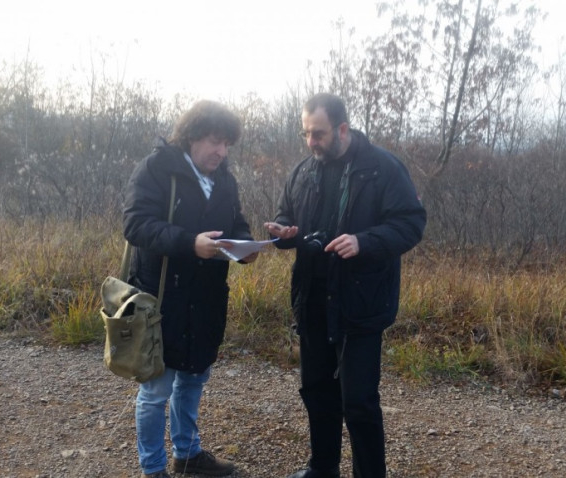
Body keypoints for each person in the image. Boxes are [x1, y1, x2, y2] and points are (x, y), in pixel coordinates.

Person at [265, 93, 426, 478]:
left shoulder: (383, 168)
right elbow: (286, 217)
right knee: (317, 391)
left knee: (358, 402)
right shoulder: (303, 171)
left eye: (318, 133)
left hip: (360, 302)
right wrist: (282, 232)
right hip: (312, 299)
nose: (311, 142)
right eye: (306, 133)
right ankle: (323, 469)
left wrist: (364, 242)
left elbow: (410, 223)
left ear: (342, 129)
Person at [123, 100, 257, 478]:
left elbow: (237, 222)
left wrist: (246, 247)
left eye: (227, 144)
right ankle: (153, 469)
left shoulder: (225, 179)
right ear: (192, 137)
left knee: (194, 379)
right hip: (162, 300)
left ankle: (187, 455)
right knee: (156, 392)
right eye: (215, 141)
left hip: (207, 300)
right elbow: (135, 225)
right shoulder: (157, 169)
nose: (222, 151)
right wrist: (188, 243)